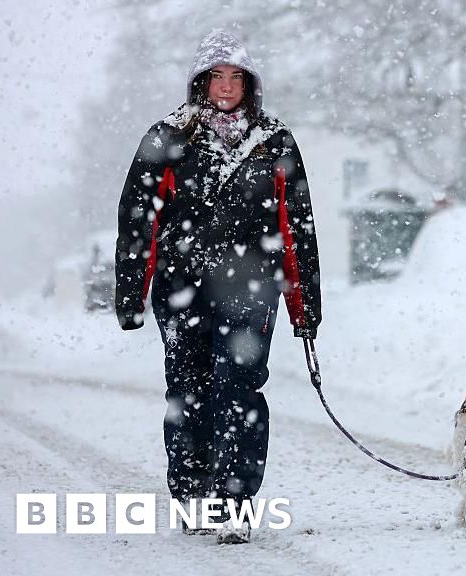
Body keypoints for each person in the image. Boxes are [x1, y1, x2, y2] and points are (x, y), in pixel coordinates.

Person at [114, 30, 321, 544]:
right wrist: (130, 293)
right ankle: (192, 494)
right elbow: (139, 219)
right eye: (216, 77)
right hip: (180, 287)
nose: (226, 87)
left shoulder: (274, 141)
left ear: (250, 84)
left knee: (240, 388)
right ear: (199, 82)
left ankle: (235, 500)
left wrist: (305, 306)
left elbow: (297, 227)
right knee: (189, 390)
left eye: (236, 77)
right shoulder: (167, 137)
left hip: (251, 289)